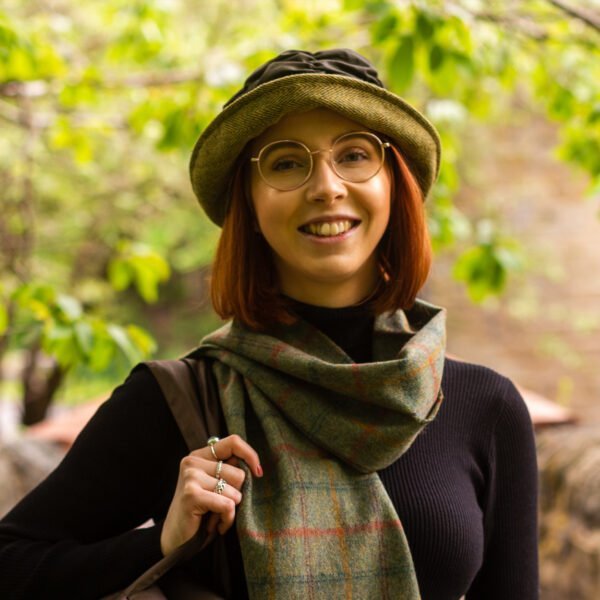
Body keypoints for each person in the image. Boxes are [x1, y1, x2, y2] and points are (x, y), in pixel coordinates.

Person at [0, 49, 539, 599]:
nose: (326, 187)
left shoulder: (484, 406)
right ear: (249, 206)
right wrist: (161, 545)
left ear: (393, 186)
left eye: (354, 155)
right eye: (285, 162)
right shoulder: (181, 400)